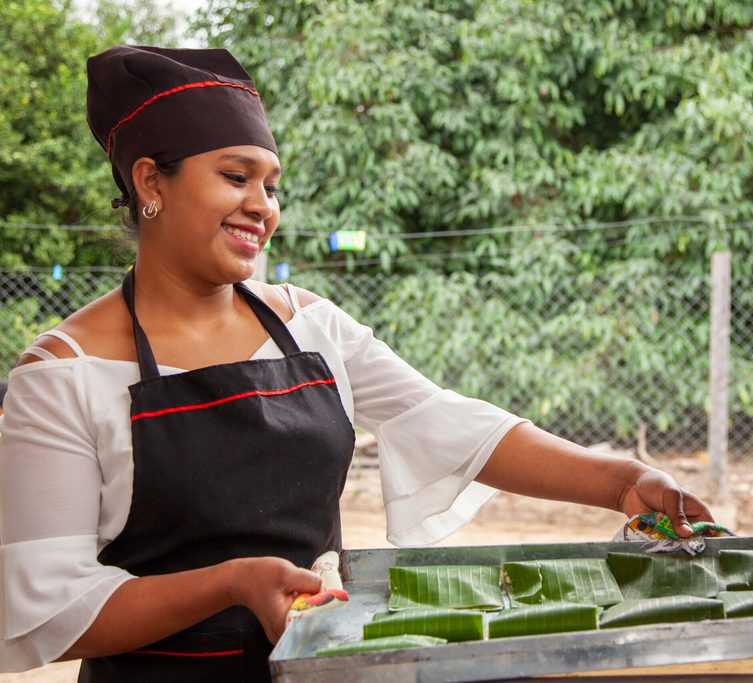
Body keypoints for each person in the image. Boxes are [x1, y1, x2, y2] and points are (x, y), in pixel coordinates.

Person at [0, 46, 713, 681]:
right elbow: (51, 607)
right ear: (151, 183)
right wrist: (230, 583)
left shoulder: (310, 326)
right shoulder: (63, 375)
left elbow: (448, 422)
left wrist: (623, 479)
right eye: (236, 176)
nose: (263, 206)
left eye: (272, 185)